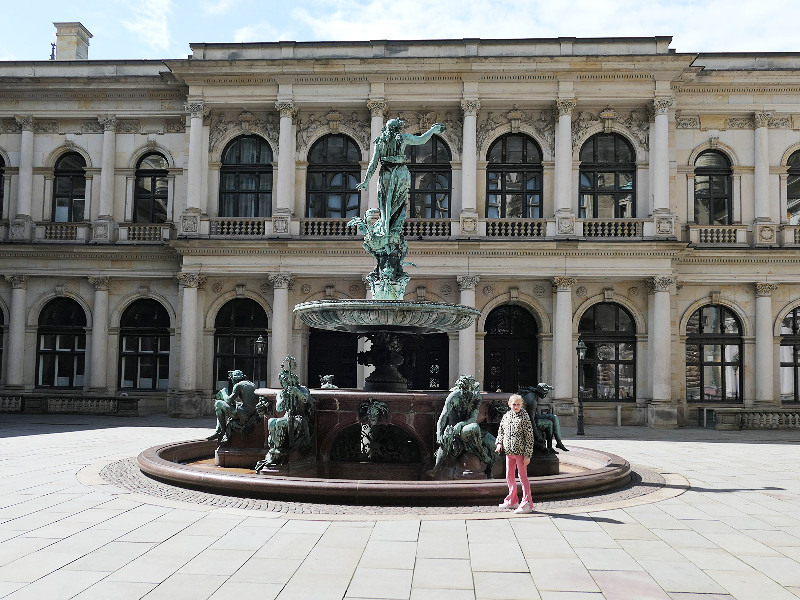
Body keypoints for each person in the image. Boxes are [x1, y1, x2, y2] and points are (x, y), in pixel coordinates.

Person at [427, 374, 496, 478]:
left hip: (468, 427)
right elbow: (443, 417)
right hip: (453, 429)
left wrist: (461, 424)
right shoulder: (454, 397)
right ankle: (436, 468)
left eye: (473, 387)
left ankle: (489, 468)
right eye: (469, 388)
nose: (473, 390)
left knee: (493, 443)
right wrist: (439, 434)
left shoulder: (476, 397)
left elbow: (473, 418)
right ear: (463, 388)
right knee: (447, 437)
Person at [495, 393, 535, 514]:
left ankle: (527, 503)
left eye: (518, 404)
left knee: (523, 477)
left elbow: (529, 437)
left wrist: (528, 454)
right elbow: (501, 430)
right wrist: (499, 443)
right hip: (509, 452)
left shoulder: (525, 417)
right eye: (514, 404)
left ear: (522, 405)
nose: (516, 406)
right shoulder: (506, 416)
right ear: (509, 405)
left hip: (521, 452)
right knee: (509, 476)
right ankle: (512, 500)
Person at [207, 369, 259, 443]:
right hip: (251, 413)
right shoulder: (251, 384)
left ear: (234, 379)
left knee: (218, 404)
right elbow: (250, 403)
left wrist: (223, 392)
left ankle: (222, 432)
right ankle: (218, 430)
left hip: (244, 415)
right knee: (222, 406)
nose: (232, 382)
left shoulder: (238, 385)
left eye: (232, 380)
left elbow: (228, 400)